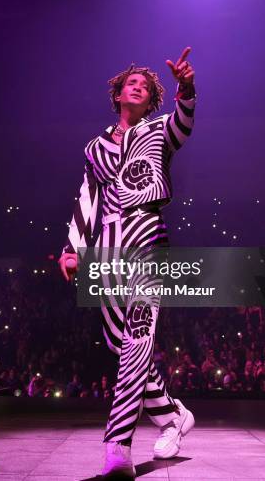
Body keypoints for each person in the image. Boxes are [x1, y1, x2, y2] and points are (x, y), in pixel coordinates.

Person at [59, 47, 197, 479]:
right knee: (121, 346)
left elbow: (183, 124)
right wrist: (72, 247)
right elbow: (88, 198)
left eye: (145, 85)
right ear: (118, 93)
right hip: (106, 252)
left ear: (151, 99)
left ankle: (117, 444)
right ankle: (174, 417)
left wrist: (187, 88)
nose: (137, 85)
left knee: (136, 343)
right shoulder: (95, 147)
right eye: (130, 82)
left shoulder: (159, 132)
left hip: (147, 243)